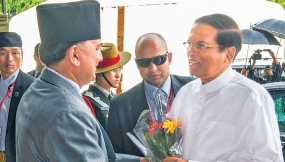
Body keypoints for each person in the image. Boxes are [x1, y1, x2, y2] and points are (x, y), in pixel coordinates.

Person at [15, 1, 142, 162]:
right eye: (96, 49)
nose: (100, 57)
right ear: (75, 55)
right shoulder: (68, 113)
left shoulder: (37, 90)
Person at [162, 13, 283, 162]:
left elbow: (269, 159)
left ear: (229, 53)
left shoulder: (252, 98)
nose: (190, 52)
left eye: (201, 45)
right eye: (189, 44)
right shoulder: (186, 93)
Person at [107, 32, 195, 157]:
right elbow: (114, 156)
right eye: (144, 62)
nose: (153, 68)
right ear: (137, 65)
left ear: (169, 58)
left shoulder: (194, 89)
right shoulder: (120, 106)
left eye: (158, 60)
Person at [0, 32, 35, 162]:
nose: (9, 59)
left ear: (22, 55)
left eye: (15, 53)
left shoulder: (32, 87)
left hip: (18, 155)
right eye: (3, 53)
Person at [82, 42, 131, 131]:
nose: (118, 75)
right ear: (100, 73)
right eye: (113, 70)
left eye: (119, 70)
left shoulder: (117, 98)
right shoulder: (88, 100)